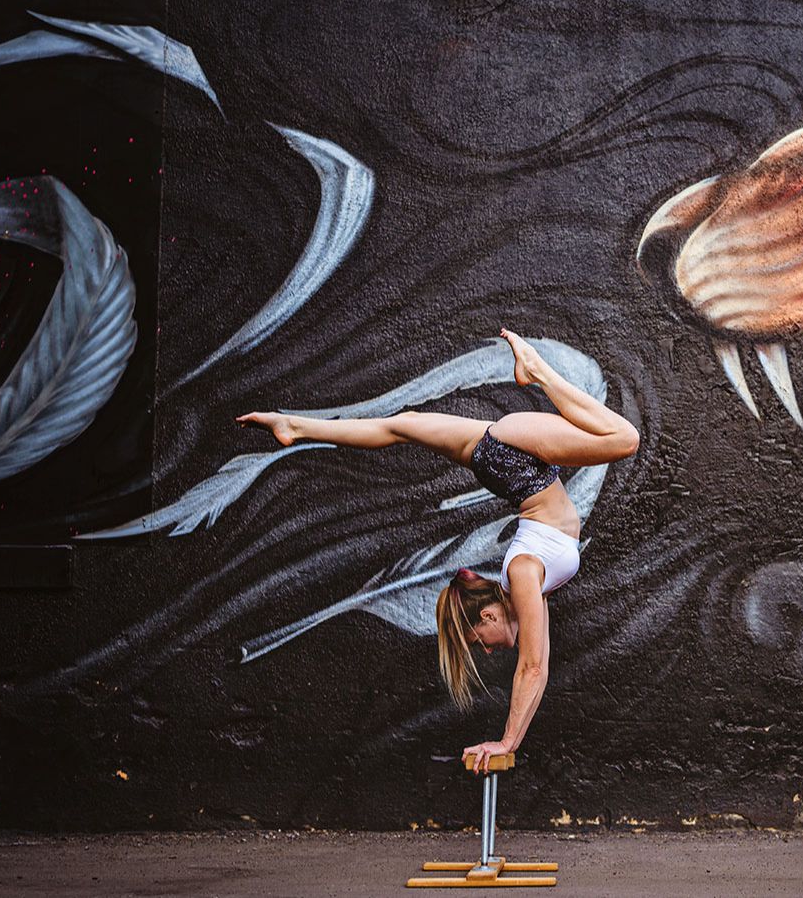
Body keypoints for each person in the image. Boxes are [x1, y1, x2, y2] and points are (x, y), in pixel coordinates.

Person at [236, 329, 639, 771]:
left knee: (623, 439)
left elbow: (534, 668)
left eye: (478, 641)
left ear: (487, 615)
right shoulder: (525, 583)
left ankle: (537, 369)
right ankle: (293, 425)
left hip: (514, 459)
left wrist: (506, 742)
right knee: (401, 425)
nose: (487, 650)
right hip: (502, 460)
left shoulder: (523, 574)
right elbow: (535, 661)